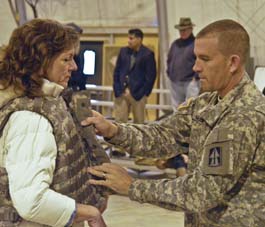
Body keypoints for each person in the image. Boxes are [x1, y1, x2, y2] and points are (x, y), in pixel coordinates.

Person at [82, 19, 265, 226]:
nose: (196, 67)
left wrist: (132, 186)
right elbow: (163, 136)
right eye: (196, 58)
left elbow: (203, 191)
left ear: (233, 63)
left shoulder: (245, 115)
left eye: (205, 59)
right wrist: (114, 130)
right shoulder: (206, 103)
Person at [0, 19, 108, 227]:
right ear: (41, 62)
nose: (74, 66)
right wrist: (89, 212)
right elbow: (32, 201)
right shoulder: (30, 119)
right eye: (66, 59)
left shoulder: (45, 102)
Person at [113, 28, 157, 123]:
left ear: (139, 39)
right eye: (128, 38)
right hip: (122, 91)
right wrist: (117, 89)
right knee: (120, 122)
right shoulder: (123, 51)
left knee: (139, 123)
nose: (129, 41)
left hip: (138, 94)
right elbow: (117, 71)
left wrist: (144, 92)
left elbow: (151, 76)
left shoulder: (148, 54)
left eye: (131, 38)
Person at [167, 17, 200, 110]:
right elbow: (169, 59)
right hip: (175, 81)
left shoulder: (196, 43)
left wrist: (195, 77)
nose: (182, 32)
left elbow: (200, 61)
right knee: (176, 108)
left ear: (191, 29)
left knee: (191, 107)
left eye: (185, 30)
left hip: (190, 82)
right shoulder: (175, 44)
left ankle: (191, 125)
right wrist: (169, 73)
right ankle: (178, 125)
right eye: (181, 30)